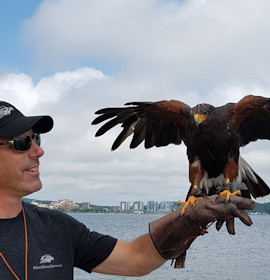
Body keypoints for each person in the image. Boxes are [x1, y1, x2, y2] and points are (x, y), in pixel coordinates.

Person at [0, 101, 256, 279]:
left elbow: (136, 259)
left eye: (37, 139)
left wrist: (186, 222)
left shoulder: (56, 228)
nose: (39, 151)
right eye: (22, 143)